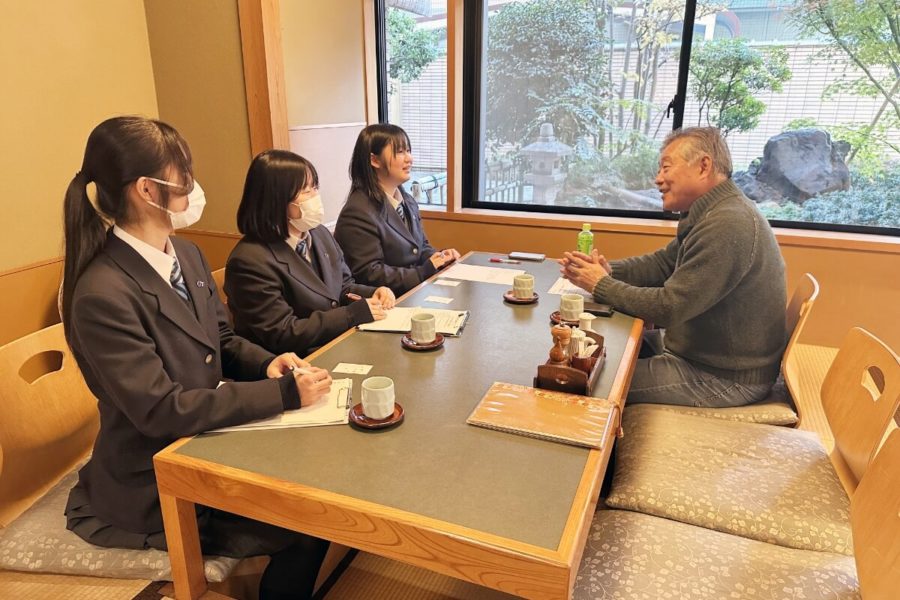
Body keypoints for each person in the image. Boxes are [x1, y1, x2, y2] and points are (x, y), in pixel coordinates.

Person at [61, 116, 332, 600]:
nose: (193, 185)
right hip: (155, 474)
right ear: (147, 189)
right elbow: (161, 410)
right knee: (306, 527)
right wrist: (283, 394)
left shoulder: (184, 253)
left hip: (207, 441)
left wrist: (268, 364)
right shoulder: (101, 293)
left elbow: (222, 338)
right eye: (183, 174)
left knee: (316, 485)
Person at [560, 126, 786, 408]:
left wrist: (600, 284)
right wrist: (608, 270)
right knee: (600, 350)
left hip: (724, 376)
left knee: (582, 382)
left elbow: (669, 308)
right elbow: (663, 263)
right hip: (698, 351)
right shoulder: (712, 212)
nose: (658, 179)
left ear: (704, 166)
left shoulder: (729, 224)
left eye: (666, 168)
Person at [225, 150, 396, 355]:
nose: (315, 196)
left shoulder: (318, 234)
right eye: (306, 191)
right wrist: (350, 315)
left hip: (336, 344)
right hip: (295, 363)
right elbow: (283, 332)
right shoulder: (249, 261)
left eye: (315, 187)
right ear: (276, 199)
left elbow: (343, 286)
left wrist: (372, 294)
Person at [334, 124, 460, 296]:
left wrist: (441, 258)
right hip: (387, 302)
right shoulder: (358, 212)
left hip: (414, 293)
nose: (409, 159)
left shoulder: (406, 199)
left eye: (408, 150)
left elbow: (421, 247)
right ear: (375, 160)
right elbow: (369, 273)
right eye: (400, 152)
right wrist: (422, 272)